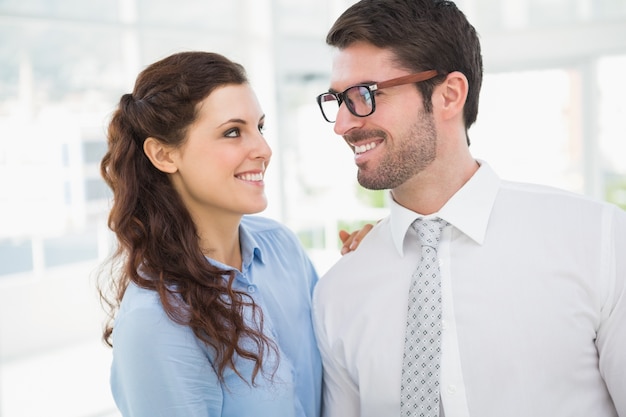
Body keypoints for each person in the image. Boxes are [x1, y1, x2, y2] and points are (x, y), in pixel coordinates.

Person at [311, 1, 626, 417]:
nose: (342, 124)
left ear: (449, 95)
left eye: (364, 95)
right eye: (338, 99)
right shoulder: (338, 293)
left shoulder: (598, 240)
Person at [98, 51, 370, 417]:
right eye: (232, 132)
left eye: (260, 127)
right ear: (163, 154)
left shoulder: (281, 246)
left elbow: (341, 362)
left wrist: (370, 264)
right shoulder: (155, 319)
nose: (263, 149)